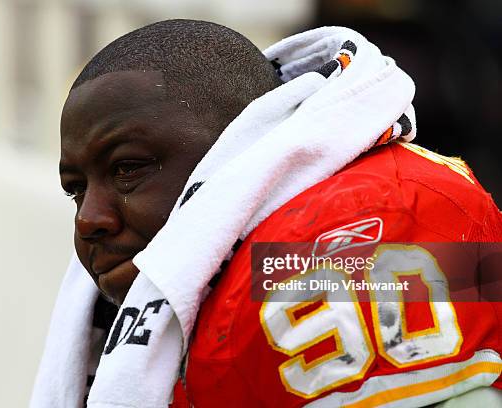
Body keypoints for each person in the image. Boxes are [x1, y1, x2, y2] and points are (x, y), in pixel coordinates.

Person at [45, 19, 502, 407]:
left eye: (129, 169)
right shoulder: (224, 263)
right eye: (76, 191)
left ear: (244, 142)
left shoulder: (365, 225)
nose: (88, 219)